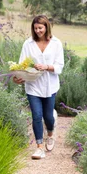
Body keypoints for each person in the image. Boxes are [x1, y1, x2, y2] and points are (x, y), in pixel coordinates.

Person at [13, 15, 64, 159]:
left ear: (46, 27)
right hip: (33, 85)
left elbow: (60, 66)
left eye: (40, 28)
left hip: (50, 85)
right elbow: (22, 65)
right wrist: (18, 77)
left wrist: (46, 66)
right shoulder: (28, 44)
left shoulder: (56, 43)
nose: (38, 31)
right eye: (35, 28)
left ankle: (51, 134)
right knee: (36, 115)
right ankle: (39, 147)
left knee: (48, 117)